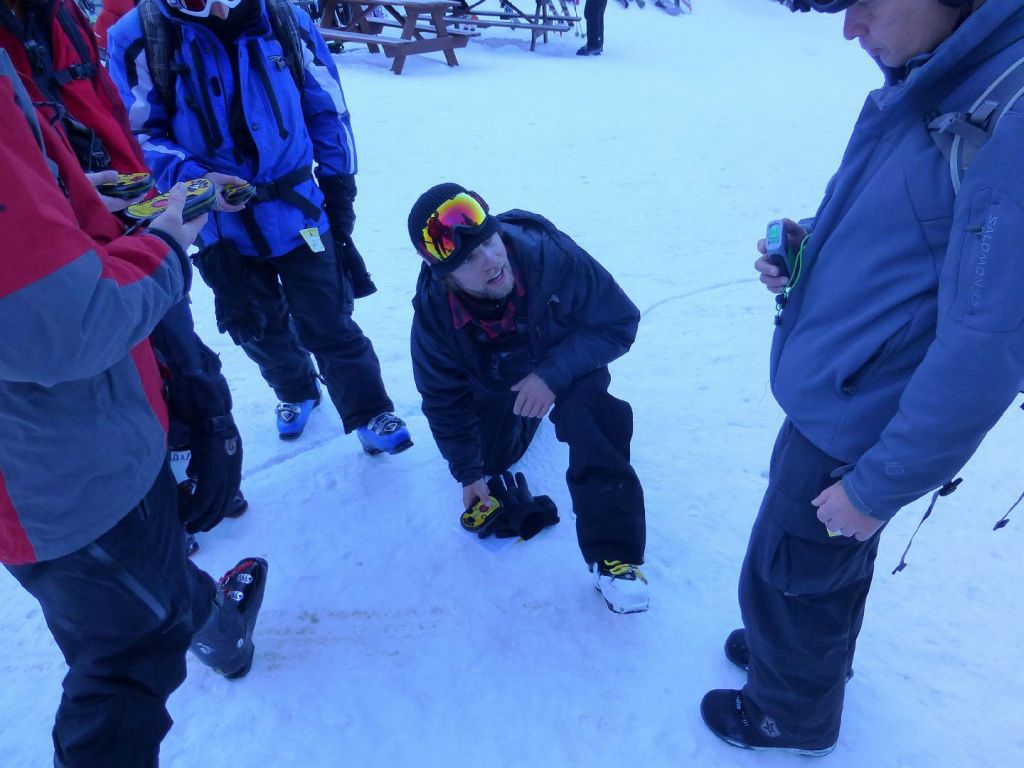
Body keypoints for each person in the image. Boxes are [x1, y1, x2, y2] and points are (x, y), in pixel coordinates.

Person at [701, 0, 1024, 755]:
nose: (850, 28)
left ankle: (789, 713)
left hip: (864, 418)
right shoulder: (940, 73)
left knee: (790, 571)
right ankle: (803, 665)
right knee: (816, 567)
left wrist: (878, 486)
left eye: (867, 2)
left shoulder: (1007, 111)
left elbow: (986, 346)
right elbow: (923, 234)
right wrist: (812, 249)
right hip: (842, 392)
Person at [1, 47, 268, 767]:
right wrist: (166, 243)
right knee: (126, 656)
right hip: (61, 472)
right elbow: (67, 326)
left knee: (148, 582)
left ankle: (218, 625)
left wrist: (71, 201)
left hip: (80, 443)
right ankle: (207, 625)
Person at [106, 0, 412, 452]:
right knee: (256, 326)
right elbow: (138, 134)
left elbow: (329, 109)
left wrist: (339, 185)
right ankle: (295, 390)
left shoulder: (285, 19)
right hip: (218, 225)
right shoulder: (141, 35)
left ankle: (369, 411)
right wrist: (196, 180)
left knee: (329, 318)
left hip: (299, 210)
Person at [0, 0, 250, 543]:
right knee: (109, 386)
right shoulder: (133, 26)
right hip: (63, 265)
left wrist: (147, 194)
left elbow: (114, 116)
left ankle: (193, 466)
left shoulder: (64, 15)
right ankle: (157, 507)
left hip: (133, 222)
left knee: (179, 353)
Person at [407, 183, 648, 614]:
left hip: (565, 358)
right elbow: (443, 399)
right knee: (493, 461)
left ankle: (617, 559)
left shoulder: (553, 258)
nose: (490, 262)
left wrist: (551, 377)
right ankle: (527, 412)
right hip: (496, 375)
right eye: (468, 261)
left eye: (488, 242)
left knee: (589, 414)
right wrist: (469, 475)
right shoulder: (434, 317)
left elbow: (619, 322)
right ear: (444, 275)